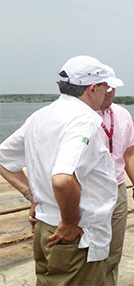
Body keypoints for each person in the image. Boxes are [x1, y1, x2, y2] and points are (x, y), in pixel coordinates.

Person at [0, 55, 118, 285]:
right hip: (74, 235)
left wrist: (32, 197)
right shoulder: (83, 120)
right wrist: (70, 222)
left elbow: (4, 159)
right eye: (105, 86)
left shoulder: (41, 116)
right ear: (92, 88)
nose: (107, 92)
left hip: (46, 225)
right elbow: (62, 180)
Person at [97, 64, 134, 286]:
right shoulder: (80, 116)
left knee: (113, 253)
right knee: (86, 254)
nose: (109, 92)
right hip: (89, 191)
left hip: (117, 189)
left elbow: (128, 155)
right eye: (105, 88)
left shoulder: (122, 114)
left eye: (112, 88)